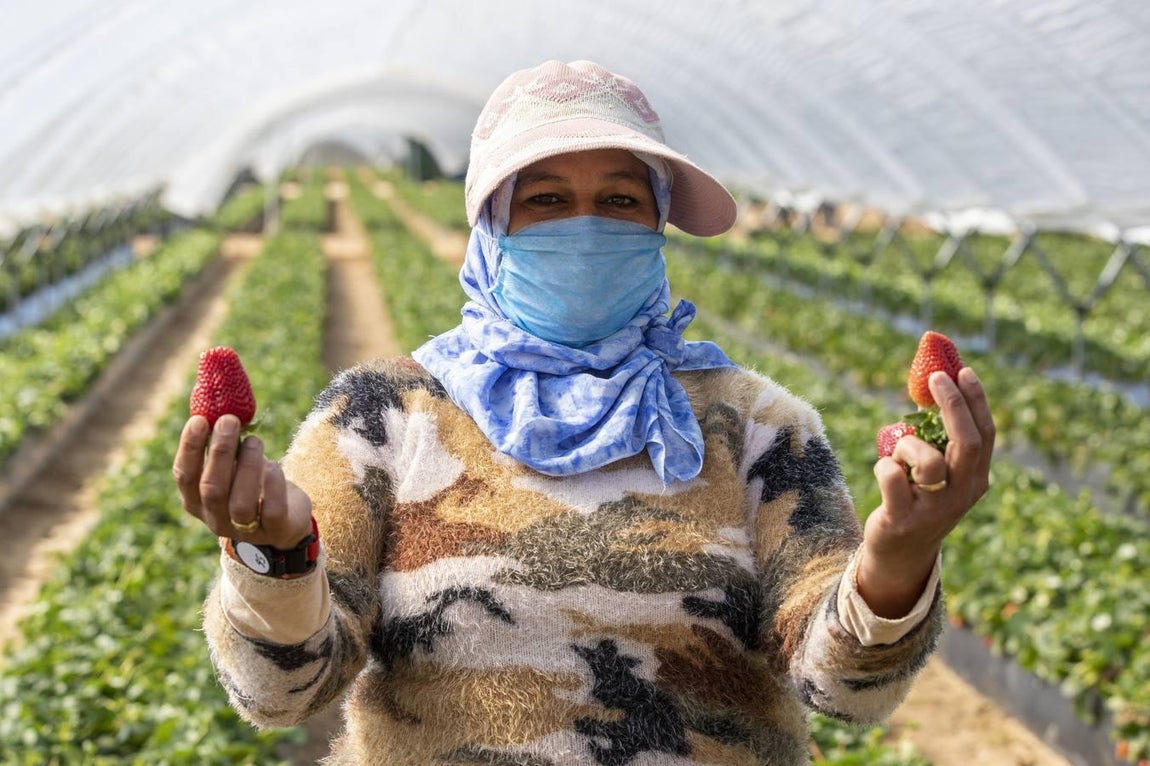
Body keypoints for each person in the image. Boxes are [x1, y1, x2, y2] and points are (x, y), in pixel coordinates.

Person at [173, 60, 994, 765]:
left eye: (622, 201)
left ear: (660, 223)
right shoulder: (381, 419)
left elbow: (843, 689)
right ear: (493, 226)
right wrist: (273, 556)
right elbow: (282, 692)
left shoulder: (757, 427)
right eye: (547, 200)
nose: (587, 225)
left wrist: (897, 559)